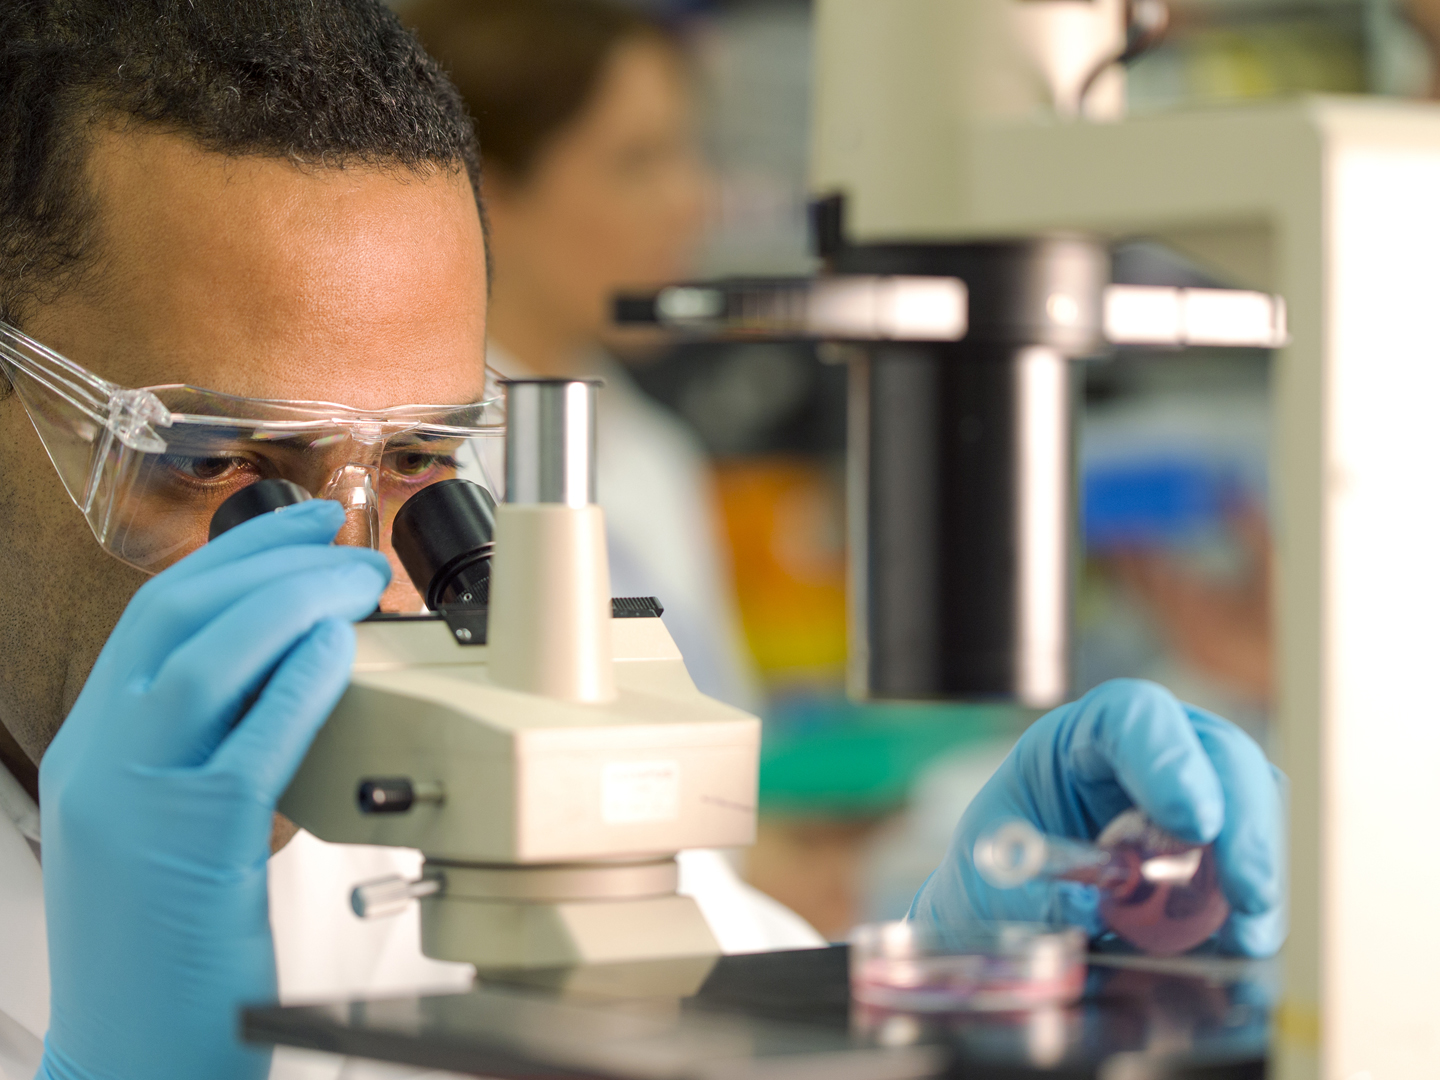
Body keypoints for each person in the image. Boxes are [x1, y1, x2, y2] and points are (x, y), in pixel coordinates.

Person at [0, 4, 1285, 1080]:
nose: (363, 588)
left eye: (418, 466)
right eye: (215, 463)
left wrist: (955, 977)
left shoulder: (427, 814)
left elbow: (725, 1018)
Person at [400, 0, 757, 710]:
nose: (692, 202)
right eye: (637, 163)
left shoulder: (653, 455)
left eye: (688, 154)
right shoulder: (406, 467)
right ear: (484, 192)